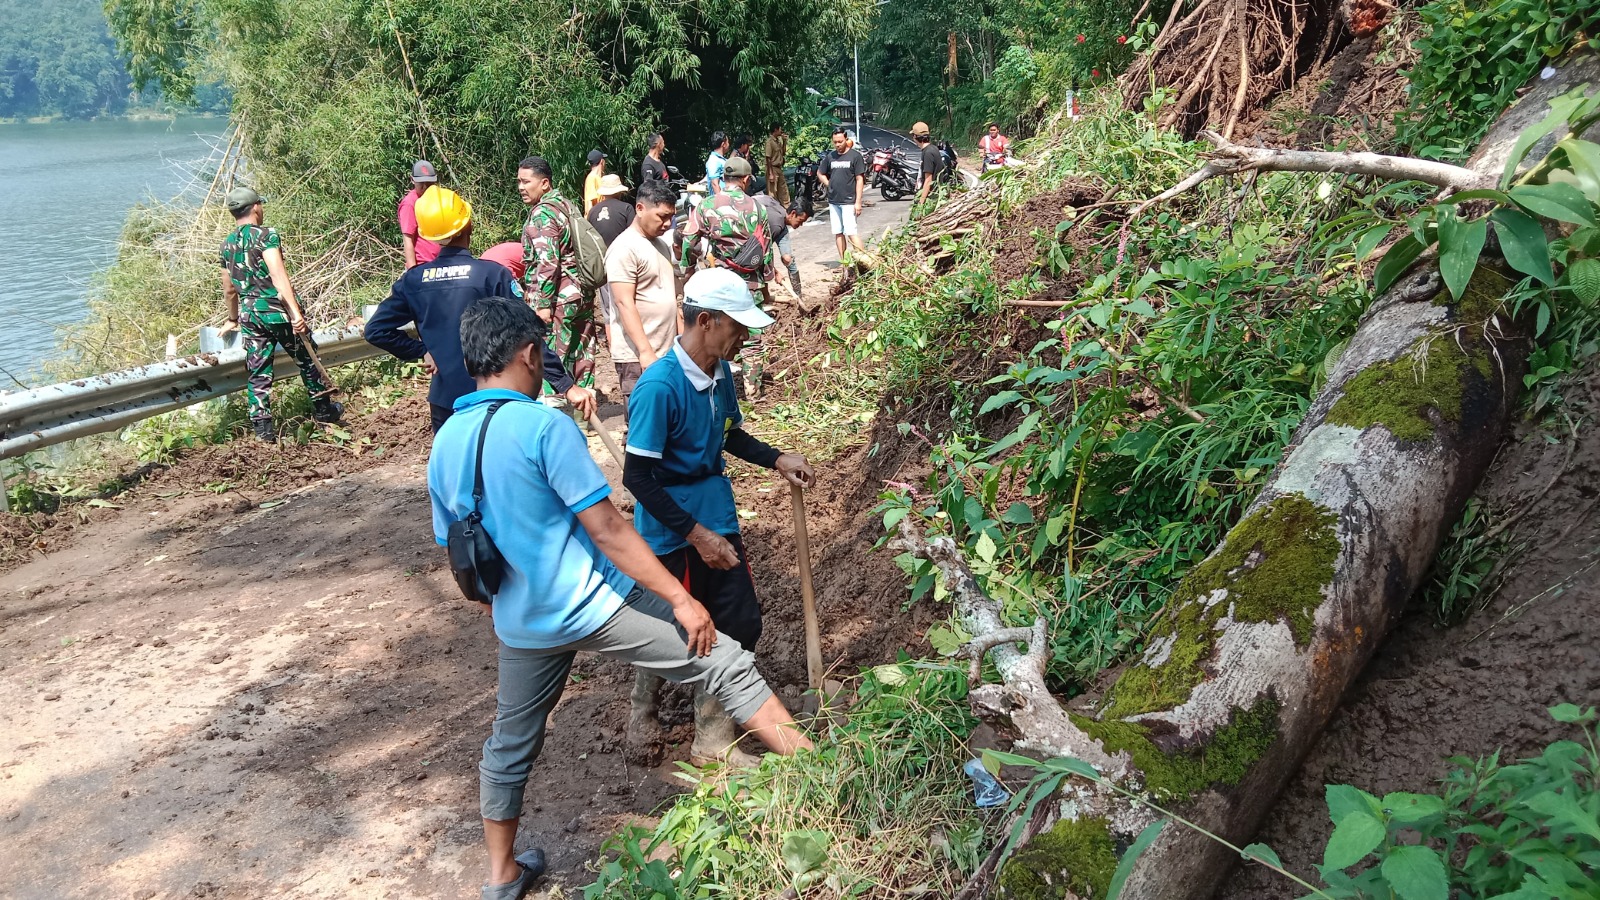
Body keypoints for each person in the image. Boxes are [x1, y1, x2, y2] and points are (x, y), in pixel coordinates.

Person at [429, 296, 812, 900]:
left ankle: (501, 877)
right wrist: (681, 601)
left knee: (509, 742)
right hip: (593, 606)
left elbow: (458, 548)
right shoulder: (543, 425)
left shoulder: (447, 438)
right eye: (541, 355)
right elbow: (608, 530)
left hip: (522, 623)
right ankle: (824, 778)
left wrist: (502, 614)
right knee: (728, 660)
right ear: (528, 354)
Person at [621, 269, 816, 767]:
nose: (745, 337)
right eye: (737, 326)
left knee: (738, 620)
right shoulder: (659, 388)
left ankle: (710, 738)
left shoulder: (719, 373)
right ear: (705, 321)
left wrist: (776, 457)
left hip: (714, 514)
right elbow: (637, 478)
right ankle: (642, 711)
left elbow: (729, 434)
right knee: (673, 623)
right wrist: (696, 534)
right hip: (672, 528)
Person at [365, 187, 595, 433]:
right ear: (468, 225)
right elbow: (530, 333)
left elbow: (376, 330)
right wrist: (566, 385)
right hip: (494, 402)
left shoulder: (413, 282)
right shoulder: (491, 275)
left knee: (455, 469)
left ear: (429, 236)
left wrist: (422, 350)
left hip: (445, 404)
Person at [217, 186, 341, 443]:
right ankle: (324, 412)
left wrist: (232, 318)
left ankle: (264, 431)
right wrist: (295, 313)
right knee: (307, 359)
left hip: (250, 314)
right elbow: (278, 275)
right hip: (275, 310)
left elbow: (229, 289)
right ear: (255, 208)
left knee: (258, 371)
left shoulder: (226, 245)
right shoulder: (266, 235)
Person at [680, 155, 783, 396]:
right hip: (750, 283)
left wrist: (688, 270)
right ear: (746, 180)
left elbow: (688, 239)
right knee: (752, 339)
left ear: (725, 178)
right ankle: (752, 391)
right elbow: (765, 250)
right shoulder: (758, 207)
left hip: (719, 285)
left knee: (717, 333)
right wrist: (765, 285)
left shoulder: (706, 206)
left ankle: (718, 388)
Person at [518, 156, 597, 388]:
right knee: (583, 354)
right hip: (580, 292)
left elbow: (547, 261)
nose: (521, 187)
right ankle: (584, 419)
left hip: (557, 300)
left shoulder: (542, 213)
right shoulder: (566, 205)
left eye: (526, 182)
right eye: (519, 182)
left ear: (544, 183)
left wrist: (543, 304)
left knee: (552, 359)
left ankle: (556, 414)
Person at [604, 179, 680, 404]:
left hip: (665, 351)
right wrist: (645, 351)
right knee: (641, 425)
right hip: (637, 356)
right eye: (662, 216)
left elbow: (671, 297)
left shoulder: (660, 245)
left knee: (667, 420)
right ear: (640, 209)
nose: (667, 224)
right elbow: (623, 302)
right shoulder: (624, 248)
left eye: (670, 217)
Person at [818, 127, 867, 264]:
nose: (838, 144)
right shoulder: (830, 157)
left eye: (840, 141)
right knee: (838, 233)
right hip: (834, 201)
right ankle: (845, 263)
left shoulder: (855, 156)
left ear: (846, 139)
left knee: (851, 233)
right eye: (835, 142)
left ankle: (864, 260)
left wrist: (858, 202)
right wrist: (829, 184)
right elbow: (820, 173)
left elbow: (859, 179)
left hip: (849, 201)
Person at [756, 191, 809, 299]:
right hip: (756, 228)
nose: (801, 224)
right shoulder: (775, 224)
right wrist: (775, 272)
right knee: (761, 265)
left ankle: (798, 295)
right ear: (793, 213)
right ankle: (764, 297)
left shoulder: (782, 217)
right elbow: (763, 254)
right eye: (800, 221)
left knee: (788, 259)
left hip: (781, 226)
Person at [399, 161, 442, 269]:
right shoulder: (410, 203)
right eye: (421, 183)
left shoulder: (439, 198)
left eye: (429, 183)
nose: (425, 187)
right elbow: (408, 238)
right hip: (423, 265)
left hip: (442, 262)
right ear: (412, 180)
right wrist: (412, 270)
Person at [586, 174, 635, 247]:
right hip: (620, 253)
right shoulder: (627, 208)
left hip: (599, 254)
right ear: (619, 192)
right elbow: (633, 235)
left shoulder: (592, 211)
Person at [911, 121, 942, 205]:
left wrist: (921, 201)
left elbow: (928, 180)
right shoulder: (933, 148)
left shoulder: (928, 153)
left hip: (931, 197)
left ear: (915, 137)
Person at [762, 123, 790, 205]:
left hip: (779, 168)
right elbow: (768, 158)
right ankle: (774, 209)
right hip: (772, 168)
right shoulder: (769, 142)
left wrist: (784, 142)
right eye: (780, 129)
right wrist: (770, 173)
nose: (781, 131)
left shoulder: (778, 142)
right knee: (773, 191)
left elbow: (783, 153)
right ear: (775, 130)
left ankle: (786, 207)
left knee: (783, 189)